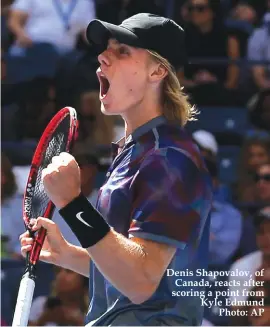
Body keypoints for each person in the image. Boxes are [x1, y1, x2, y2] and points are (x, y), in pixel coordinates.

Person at [20, 13, 212, 326]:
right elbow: (134, 274)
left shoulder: (169, 158)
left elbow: (142, 282)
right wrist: (68, 255)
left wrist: (73, 204)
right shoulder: (134, 153)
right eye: (106, 49)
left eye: (122, 51)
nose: (102, 57)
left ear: (158, 70)